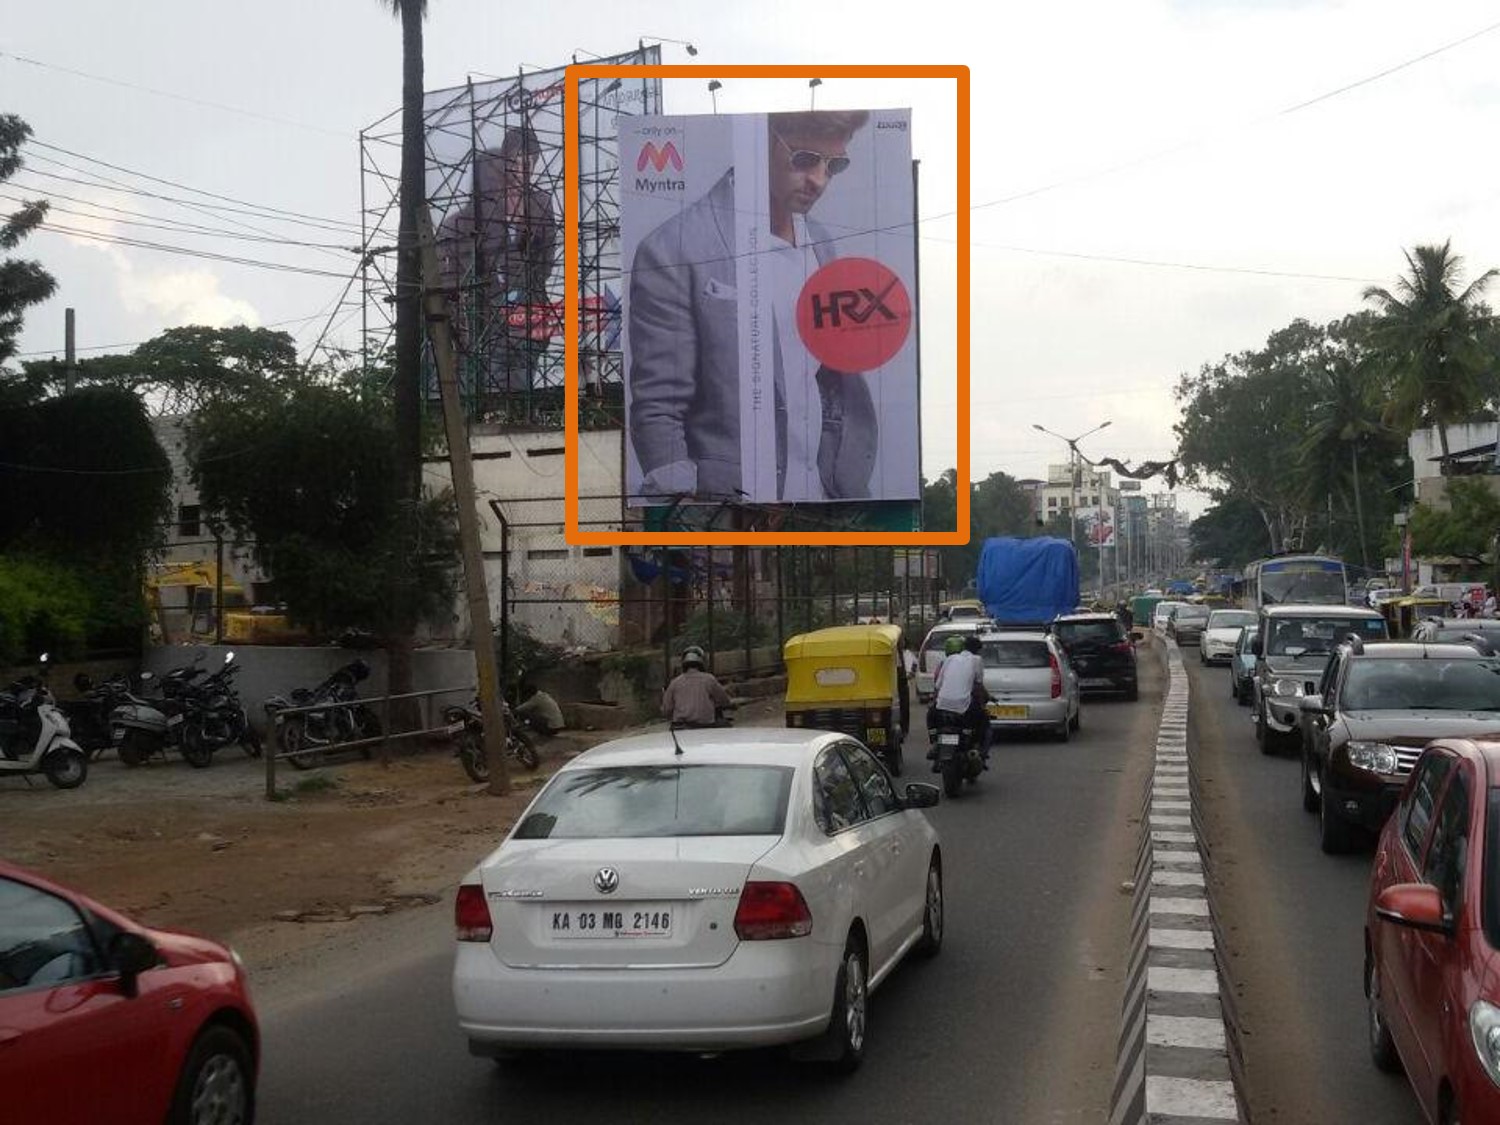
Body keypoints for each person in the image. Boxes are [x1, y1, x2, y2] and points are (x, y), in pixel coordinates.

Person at [627, 110, 878, 503]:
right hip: (729, 510)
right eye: (805, 159)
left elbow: (827, 380)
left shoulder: (821, 243)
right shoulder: (674, 248)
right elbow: (658, 408)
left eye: (835, 165)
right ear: (761, 143)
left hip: (825, 503)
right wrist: (686, 525)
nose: (819, 180)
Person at [436, 122, 558, 401]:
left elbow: (546, 260)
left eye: (532, 161)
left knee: (517, 378)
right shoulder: (466, 220)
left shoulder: (540, 203)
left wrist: (523, 270)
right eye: (519, 160)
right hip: (486, 317)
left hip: (528, 311)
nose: (526, 168)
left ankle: (511, 410)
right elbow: (454, 278)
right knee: (491, 381)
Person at [931, 634, 991, 763]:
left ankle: (935, 743)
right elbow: (978, 685)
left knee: (931, 715)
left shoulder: (950, 659)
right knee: (984, 720)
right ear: (978, 650)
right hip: (963, 706)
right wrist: (987, 698)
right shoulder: (977, 660)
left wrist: (935, 701)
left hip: (942, 704)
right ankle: (978, 748)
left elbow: (937, 685)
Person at [661, 646, 734, 728]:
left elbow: (666, 708)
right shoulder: (709, 679)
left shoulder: (675, 682)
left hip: (680, 726)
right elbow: (723, 700)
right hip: (706, 725)